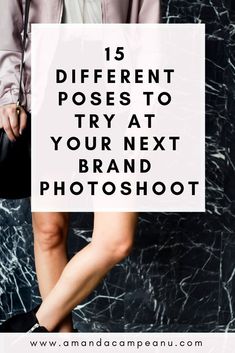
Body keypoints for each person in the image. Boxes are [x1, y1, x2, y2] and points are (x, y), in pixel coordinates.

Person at [0, 0, 160, 332]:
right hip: (46, 80)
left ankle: (32, 326)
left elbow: (149, 24)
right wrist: (9, 92)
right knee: (49, 232)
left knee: (115, 238)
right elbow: (8, 14)